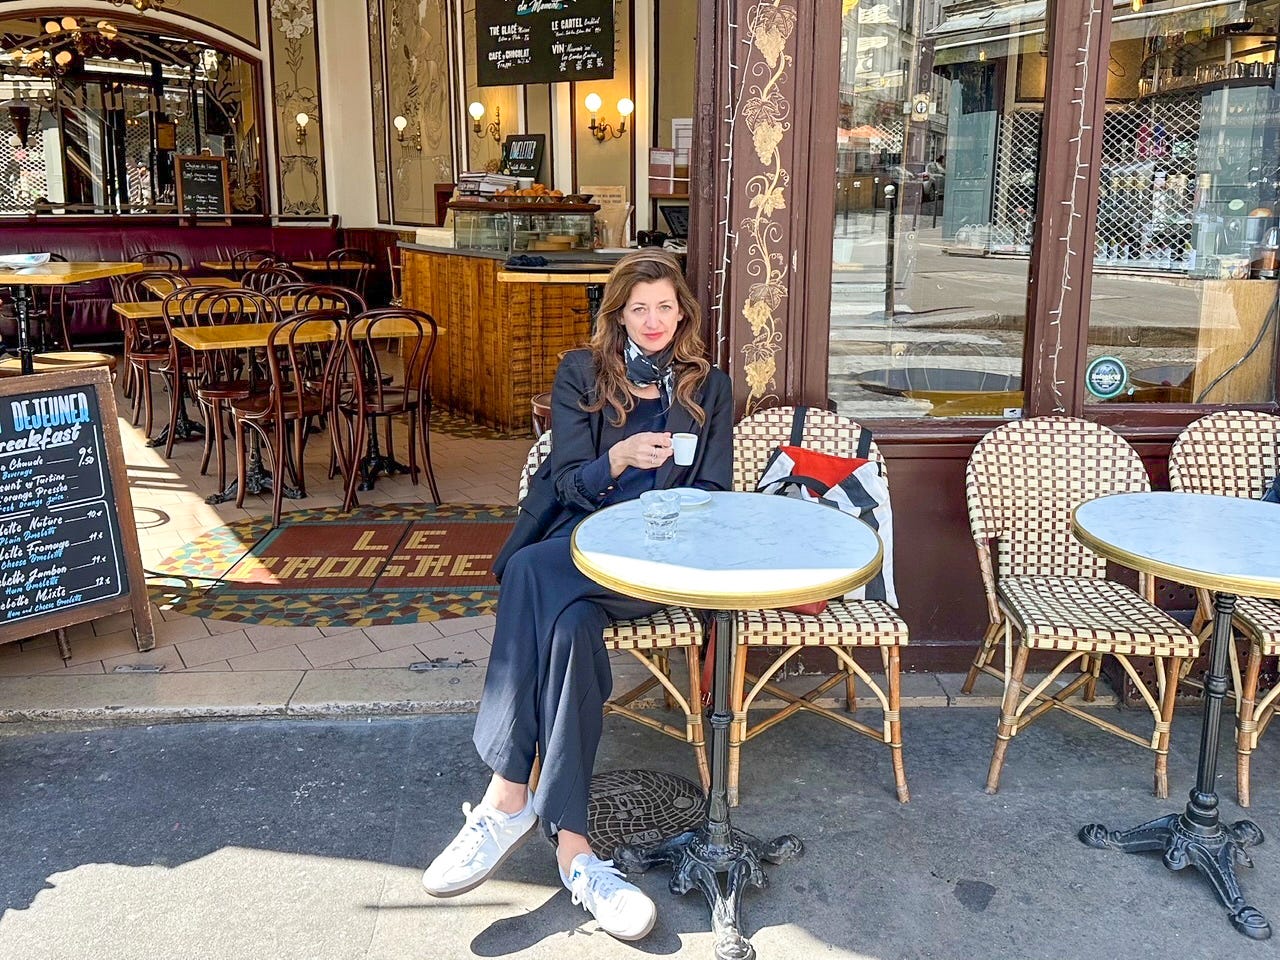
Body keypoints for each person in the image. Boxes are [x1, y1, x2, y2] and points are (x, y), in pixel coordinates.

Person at [422, 250, 733, 941]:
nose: (653, 321)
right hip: (584, 551)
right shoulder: (582, 374)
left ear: (682, 311)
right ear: (618, 315)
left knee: (531, 573)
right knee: (566, 631)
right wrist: (616, 460)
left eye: (664, 306)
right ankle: (578, 855)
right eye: (638, 308)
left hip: (658, 564)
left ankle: (507, 796)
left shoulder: (710, 388)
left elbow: (715, 491)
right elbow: (565, 482)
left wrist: (671, 508)